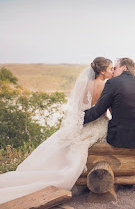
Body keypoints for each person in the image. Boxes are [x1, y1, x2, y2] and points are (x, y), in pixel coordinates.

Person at [0, 57, 113, 204]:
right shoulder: (106, 85)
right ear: (102, 71)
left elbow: (78, 109)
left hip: (81, 124)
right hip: (97, 124)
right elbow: (107, 111)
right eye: (110, 69)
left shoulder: (84, 84)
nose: (112, 71)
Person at [84, 57, 135, 176]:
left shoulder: (112, 83)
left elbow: (98, 110)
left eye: (115, 68)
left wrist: (79, 119)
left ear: (124, 68)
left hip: (118, 136)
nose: (113, 71)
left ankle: (126, 178)